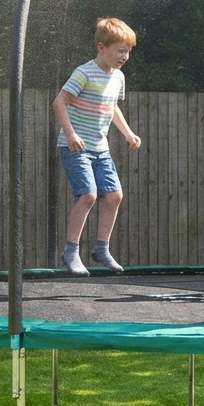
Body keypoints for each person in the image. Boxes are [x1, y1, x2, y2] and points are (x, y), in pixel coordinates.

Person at [52, 17, 143, 276]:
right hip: (76, 146)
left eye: (128, 51)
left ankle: (101, 249)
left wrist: (128, 133)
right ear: (102, 47)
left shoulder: (118, 77)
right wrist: (70, 135)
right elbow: (59, 102)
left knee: (114, 195)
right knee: (88, 195)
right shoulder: (84, 72)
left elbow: (112, 106)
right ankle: (71, 251)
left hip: (100, 148)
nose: (125, 56)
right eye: (120, 51)